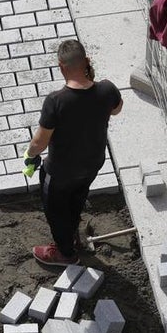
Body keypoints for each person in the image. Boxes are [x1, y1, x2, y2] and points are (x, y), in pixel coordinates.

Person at [24, 39, 123, 267]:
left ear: (61, 67)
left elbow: (39, 143)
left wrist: (30, 154)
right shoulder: (107, 89)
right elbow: (117, 109)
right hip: (92, 164)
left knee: (56, 211)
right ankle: (73, 234)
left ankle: (65, 253)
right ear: (87, 61)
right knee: (77, 197)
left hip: (61, 172)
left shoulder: (56, 101)